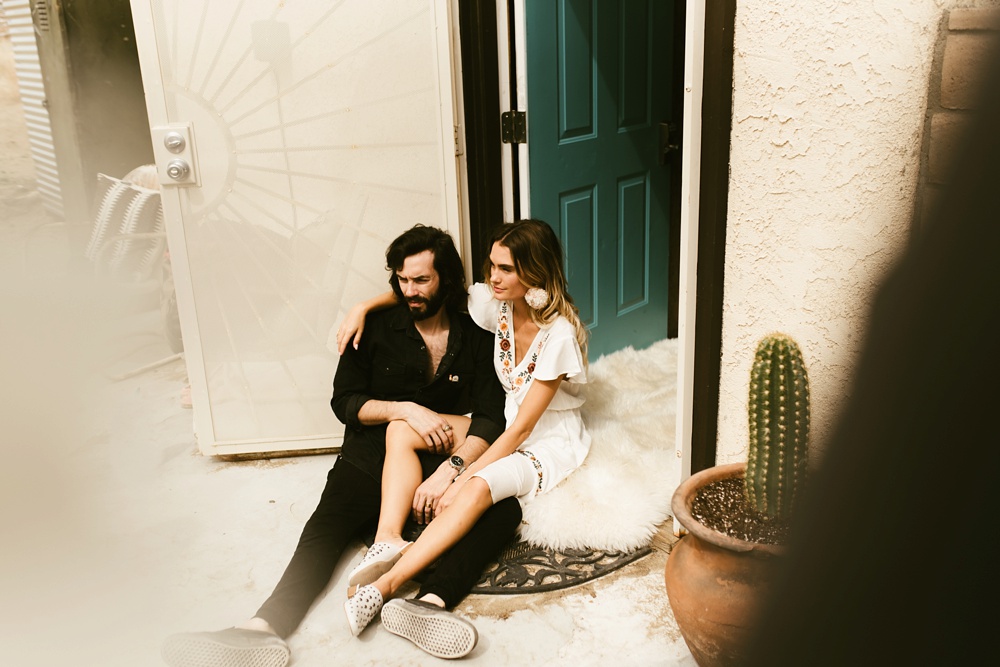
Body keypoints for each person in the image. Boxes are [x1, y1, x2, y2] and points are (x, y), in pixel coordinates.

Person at [162, 225, 522, 666]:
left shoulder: (477, 331)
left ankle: (429, 604)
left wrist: (455, 471)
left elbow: (491, 416)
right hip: (371, 454)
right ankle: (262, 627)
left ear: (445, 279)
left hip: (439, 452)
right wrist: (403, 410)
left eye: (421, 280)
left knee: (503, 510)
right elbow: (345, 402)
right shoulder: (373, 328)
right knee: (326, 528)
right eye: (401, 280)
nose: (409, 291)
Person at [336, 218, 592, 639]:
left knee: (475, 489)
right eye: (492, 265)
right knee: (401, 428)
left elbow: (522, 431)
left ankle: (385, 588)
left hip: (543, 440)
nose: (493, 276)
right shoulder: (495, 303)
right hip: (505, 421)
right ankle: (388, 540)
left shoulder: (558, 336)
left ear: (534, 271)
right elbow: (422, 289)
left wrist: (458, 477)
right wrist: (362, 307)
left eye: (505, 269)